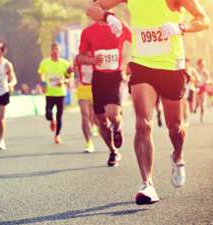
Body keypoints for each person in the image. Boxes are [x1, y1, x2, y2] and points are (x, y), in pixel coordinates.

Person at [87, 0, 209, 204]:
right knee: (143, 123)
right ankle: (147, 184)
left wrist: (181, 27)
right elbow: (93, 7)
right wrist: (108, 17)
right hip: (142, 65)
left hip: (171, 66)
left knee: (175, 128)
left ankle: (178, 157)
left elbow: (203, 20)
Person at [77, 14, 132, 166]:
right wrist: (92, 60)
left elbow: (137, 41)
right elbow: (80, 58)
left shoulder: (120, 26)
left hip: (115, 76)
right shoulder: (88, 32)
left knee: (112, 114)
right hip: (98, 78)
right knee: (101, 120)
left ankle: (118, 127)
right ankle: (113, 151)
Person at [38, 42, 73, 144]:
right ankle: (52, 119)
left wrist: (63, 82)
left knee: (60, 115)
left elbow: (69, 78)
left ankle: (57, 135)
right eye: (53, 49)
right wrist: (43, 84)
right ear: (51, 51)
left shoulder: (65, 63)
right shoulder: (45, 63)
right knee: (48, 113)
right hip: (49, 93)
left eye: (57, 49)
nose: (55, 51)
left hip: (60, 93)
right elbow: (41, 74)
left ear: (59, 51)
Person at [74, 54, 97, 153]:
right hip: (83, 89)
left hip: (96, 88)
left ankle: (95, 126)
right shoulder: (78, 57)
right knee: (85, 115)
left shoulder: (96, 54)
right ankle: (88, 143)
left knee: (95, 114)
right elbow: (72, 71)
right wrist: (69, 72)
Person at [195, 58, 211, 123]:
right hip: (197, 87)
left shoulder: (206, 71)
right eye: (201, 64)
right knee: (198, 102)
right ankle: (196, 106)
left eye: (204, 64)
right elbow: (192, 78)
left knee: (202, 103)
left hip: (203, 87)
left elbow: (209, 80)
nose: (203, 65)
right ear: (198, 64)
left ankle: (201, 116)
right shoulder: (195, 71)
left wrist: (207, 81)